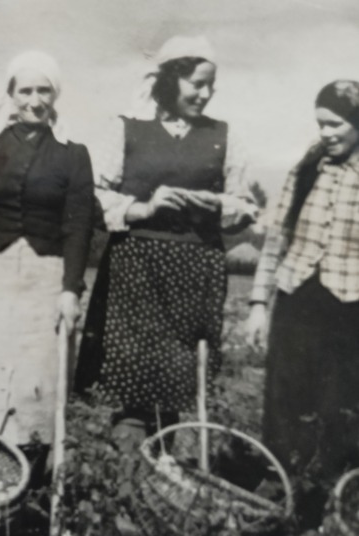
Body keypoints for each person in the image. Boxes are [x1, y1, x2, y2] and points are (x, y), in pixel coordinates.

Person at [74, 36, 258, 445]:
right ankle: (127, 464)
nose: (205, 94)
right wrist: (143, 208)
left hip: (196, 269)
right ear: (171, 80)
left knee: (177, 374)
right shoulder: (127, 128)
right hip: (136, 267)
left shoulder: (223, 136)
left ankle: (165, 460)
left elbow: (245, 204)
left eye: (211, 86)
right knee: (133, 374)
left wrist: (218, 204)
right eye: (197, 84)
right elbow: (93, 193)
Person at [0, 51, 94, 459]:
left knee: (36, 373)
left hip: (45, 277)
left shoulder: (73, 153)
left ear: (55, 95)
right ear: (10, 94)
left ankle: (32, 466)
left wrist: (70, 289)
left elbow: (79, 226)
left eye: (44, 91)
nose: (34, 101)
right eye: (25, 91)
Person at [247, 80, 359, 492]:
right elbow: (276, 237)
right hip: (297, 298)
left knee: (341, 404)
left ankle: (329, 495)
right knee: (285, 396)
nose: (326, 133)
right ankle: (279, 485)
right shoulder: (308, 168)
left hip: (350, 304)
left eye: (335, 124)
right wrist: (258, 303)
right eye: (320, 124)